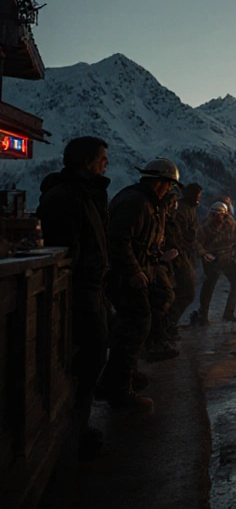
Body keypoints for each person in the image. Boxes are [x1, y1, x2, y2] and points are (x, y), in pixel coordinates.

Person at [37, 136, 112, 456]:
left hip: (91, 285)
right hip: (79, 288)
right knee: (89, 354)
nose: (106, 165)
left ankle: (78, 423)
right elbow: (66, 247)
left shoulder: (86, 193)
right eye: (102, 159)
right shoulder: (66, 196)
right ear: (87, 161)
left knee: (93, 352)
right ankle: (73, 430)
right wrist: (84, 270)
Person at [96, 157, 180, 411]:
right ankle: (120, 391)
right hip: (123, 275)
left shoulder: (146, 202)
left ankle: (119, 377)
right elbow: (118, 240)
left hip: (135, 272)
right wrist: (133, 269)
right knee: (136, 324)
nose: (170, 190)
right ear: (160, 182)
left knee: (133, 325)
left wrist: (156, 260)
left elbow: (143, 243)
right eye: (169, 185)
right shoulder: (136, 203)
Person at [196, 201, 236, 324]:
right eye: (213, 214)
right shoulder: (205, 226)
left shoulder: (231, 226)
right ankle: (202, 315)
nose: (215, 217)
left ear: (224, 215)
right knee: (209, 286)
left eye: (218, 214)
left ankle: (229, 313)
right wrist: (204, 253)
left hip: (226, 258)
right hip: (212, 259)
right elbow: (196, 241)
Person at [143, 192, 180, 362]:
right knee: (161, 298)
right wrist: (159, 257)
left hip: (158, 263)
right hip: (149, 265)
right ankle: (154, 343)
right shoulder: (152, 213)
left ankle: (160, 338)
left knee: (164, 298)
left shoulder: (163, 216)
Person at [165, 182, 202, 334]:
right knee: (185, 292)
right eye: (198, 194)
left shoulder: (188, 209)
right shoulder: (181, 210)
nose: (199, 198)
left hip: (184, 254)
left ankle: (167, 326)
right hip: (178, 255)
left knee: (181, 292)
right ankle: (166, 326)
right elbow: (176, 236)